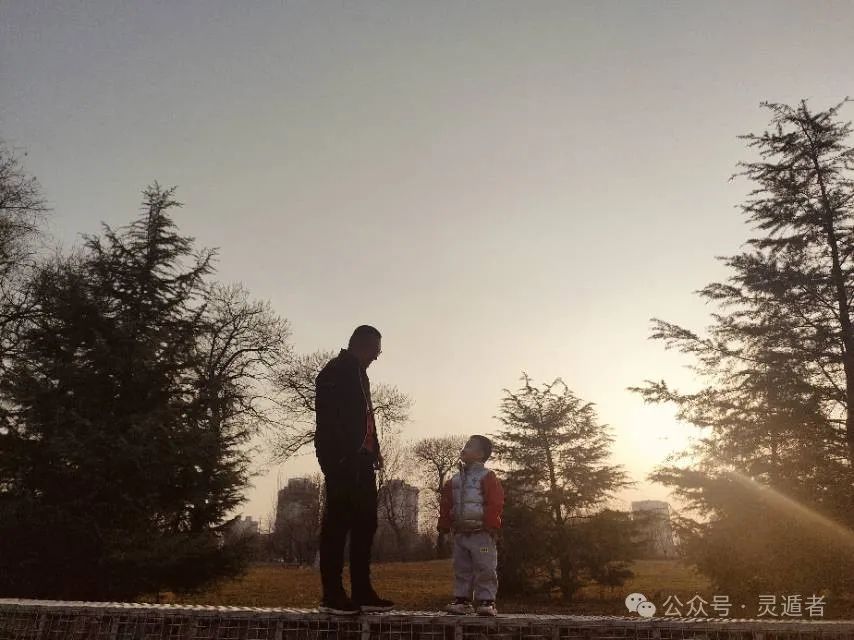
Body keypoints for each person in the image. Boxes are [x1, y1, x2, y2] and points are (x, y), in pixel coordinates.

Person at [314, 325, 394, 615]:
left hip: (363, 461)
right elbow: (328, 420)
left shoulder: (361, 375)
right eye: (376, 350)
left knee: (366, 524)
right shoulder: (335, 371)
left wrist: (375, 449)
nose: (378, 356)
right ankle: (332, 594)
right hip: (343, 461)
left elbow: (366, 417)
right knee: (337, 525)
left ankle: (362, 591)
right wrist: (337, 458)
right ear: (364, 345)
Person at [438, 435, 505, 616]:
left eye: (469, 446)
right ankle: (462, 600)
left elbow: (496, 502)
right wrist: (444, 524)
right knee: (462, 567)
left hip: (482, 534)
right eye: (465, 445)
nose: (464, 448)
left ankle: (487, 601)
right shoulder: (454, 480)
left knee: (485, 566)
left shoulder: (487, 476)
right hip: (461, 534)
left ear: (480, 454)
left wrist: (491, 525)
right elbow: (446, 503)